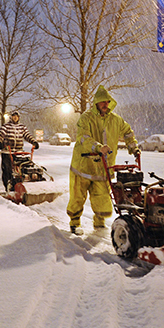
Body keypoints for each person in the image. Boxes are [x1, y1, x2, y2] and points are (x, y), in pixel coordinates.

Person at [67, 85, 139, 235]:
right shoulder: (86, 118)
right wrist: (97, 147)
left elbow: (127, 132)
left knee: (102, 199)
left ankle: (99, 225)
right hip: (83, 165)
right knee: (77, 197)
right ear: (96, 103)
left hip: (104, 167)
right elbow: (83, 137)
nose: (105, 104)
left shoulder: (116, 120)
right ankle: (75, 223)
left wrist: (133, 148)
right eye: (102, 102)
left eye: (107, 102)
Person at [0, 111, 39, 190]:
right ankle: (8, 186)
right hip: (7, 151)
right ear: (11, 117)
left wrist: (34, 142)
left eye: (17, 116)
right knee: (8, 170)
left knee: (25, 166)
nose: (15, 117)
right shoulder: (6, 126)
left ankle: (25, 182)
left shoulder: (22, 127)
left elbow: (27, 135)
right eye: (13, 116)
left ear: (19, 117)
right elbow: (0, 135)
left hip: (19, 152)